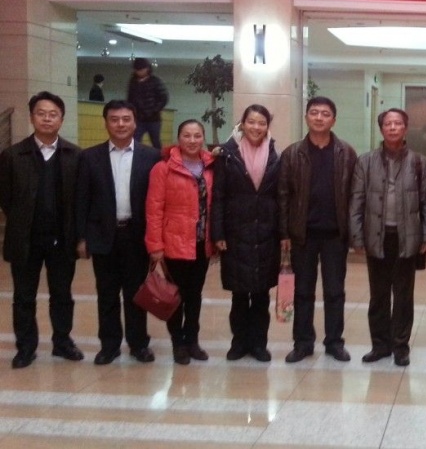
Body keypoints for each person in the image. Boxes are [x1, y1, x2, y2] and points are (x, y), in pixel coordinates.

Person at [0, 92, 84, 368]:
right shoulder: (13, 155)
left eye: (53, 114)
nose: (47, 119)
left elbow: (80, 199)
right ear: (32, 117)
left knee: (62, 294)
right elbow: (5, 198)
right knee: (24, 296)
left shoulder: (74, 155)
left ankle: (62, 342)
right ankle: (26, 348)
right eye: (41, 113)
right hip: (25, 239)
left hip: (63, 238)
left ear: (61, 119)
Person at [76, 100, 160, 365]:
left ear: (135, 123)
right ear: (106, 123)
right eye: (114, 119)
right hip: (103, 235)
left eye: (126, 119)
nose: (120, 124)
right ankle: (109, 346)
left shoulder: (151, 156)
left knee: (137, 294)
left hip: (136, 235)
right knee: (107, 294)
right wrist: (82, 237)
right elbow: (81, 200)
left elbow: (158, 201)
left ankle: (138, 344)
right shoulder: (89, 157)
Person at [278, 97, 358, 363]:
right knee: (302, 292)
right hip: (302, 235)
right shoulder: (292, 154)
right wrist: (284, 233)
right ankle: (303, 343)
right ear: (306, 117)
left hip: (335, 235)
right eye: (314, 113)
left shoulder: (346, 153)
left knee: (335, 292)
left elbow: (355, 195)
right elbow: (283, 195)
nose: (319, 118)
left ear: (334, 120)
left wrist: (353, 232)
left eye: (325, 114)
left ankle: (334, 342)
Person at [349, 108, 426, 367]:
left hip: (407, 238)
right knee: (379, 295)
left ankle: (400, 346)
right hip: (377, 236)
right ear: (381, 128)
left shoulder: (420, 162)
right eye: (387, 124)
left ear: (406, 128)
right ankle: (380, 345)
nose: (393, 128)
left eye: (397, 123)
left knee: (404, 296)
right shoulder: (365, 161)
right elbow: (357, 201)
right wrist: (357, 236)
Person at [211, 105, 281, 363]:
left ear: (267, 126)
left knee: (261, 295)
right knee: (239, 295)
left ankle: (259, 344)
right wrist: (218, 232)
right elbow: (218, 196)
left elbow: (280, 197)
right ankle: (239, 343)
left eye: (261, 123)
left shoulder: (275, 154)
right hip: (236, 233)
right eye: (251, 122)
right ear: (242, 123)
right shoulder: (227, 155)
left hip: (266, 234)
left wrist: (282, 233)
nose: (256, 127)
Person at [145, 119, 215, 365]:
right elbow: (154, 209)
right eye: (187, 135)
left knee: (194, 295)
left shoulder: (211, 166)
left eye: (197, 136)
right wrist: (155, 246)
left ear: (203, 138)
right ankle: (178, 343)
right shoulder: (163, 168)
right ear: (178, 138)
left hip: (201, 243)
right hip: (174, 243)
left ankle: (192, 340)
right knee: (175, 296)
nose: (192, 140)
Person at [127, 57, 168, 149]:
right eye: (137, 70)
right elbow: (130, 98)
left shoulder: (155, 81)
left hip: (153, 118)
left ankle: (159, 157)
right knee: (135, 140)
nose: (140, 72)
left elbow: (164, 98)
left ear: (147, 68)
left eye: (142, 69)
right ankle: (135, 156)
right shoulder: (133, 82)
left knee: (155, 141)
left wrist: (154, 110)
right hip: (138, 118)